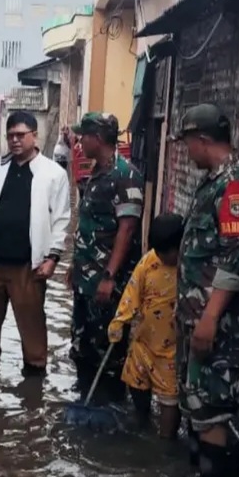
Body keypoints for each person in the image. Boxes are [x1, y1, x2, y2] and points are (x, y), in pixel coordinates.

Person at [175, 103, 239, 477]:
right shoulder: (214, 182)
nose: (186, 152)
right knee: (198, 403)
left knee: (213, 407)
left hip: (220, 323)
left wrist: (210, 318)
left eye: (188, 143)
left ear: (203, 139)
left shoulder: (235, 184)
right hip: (199, 317)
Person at [0, 110, 70, 375]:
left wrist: (53, 258)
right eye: (10, 136)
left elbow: (62, 219)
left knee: (32, 329)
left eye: (20, 135)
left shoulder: (53, 174)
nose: (15, 140)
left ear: (34, 136)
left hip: (29, 266)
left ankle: (35, 379)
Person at [69, 112, 143, 400]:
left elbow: (127, 229)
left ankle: (109, 406)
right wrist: (75, 266)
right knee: (82, 344)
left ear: (97, 138)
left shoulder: (125, 176)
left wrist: (109, 277)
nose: (79, 142)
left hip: (106, 282)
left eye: (83, 137)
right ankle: (84, 401)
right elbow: (89, 226)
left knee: (108, 350)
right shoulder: (96, 173)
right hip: (85, 279)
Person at [107, 213, 184, 440]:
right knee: (135, 380)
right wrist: (119, 320)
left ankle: (166, 439)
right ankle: (142, 420)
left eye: (168, 253)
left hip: (171, 348)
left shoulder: (188, 268)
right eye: (159, 253)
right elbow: (132, 291)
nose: (163, 258)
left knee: (170, 397)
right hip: (144, 341)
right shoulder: (149, 262)